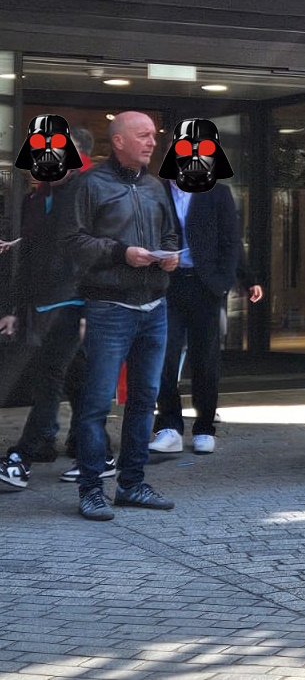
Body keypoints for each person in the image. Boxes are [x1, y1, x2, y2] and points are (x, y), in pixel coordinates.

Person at [59, 111, 180, 521]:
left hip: (154, 306)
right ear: (120, 141)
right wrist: (120, 252)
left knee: (144, 400)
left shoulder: (155, 185)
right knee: (96, 404)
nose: (151, 142)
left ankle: (131, 484)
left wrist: (168, 256)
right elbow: (73, 241)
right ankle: (91, 488)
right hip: (110, 307)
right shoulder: (88, 184)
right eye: (143, 136)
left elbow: (169, 235)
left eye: (153, 135)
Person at [2, 126, 93, 487]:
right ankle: (92, 451)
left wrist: (88, 310)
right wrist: (13, 308)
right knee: (68, 376)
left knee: (52, 374)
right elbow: (32, 255)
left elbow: (85, 251)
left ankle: (26, 452)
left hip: (71, 302)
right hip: (42, 304)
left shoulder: (82, 193)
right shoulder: (35, 200)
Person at [149, 174, 263, 457]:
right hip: (168, 284)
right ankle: (169, 426)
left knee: (206, 358)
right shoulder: (155, 190)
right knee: (165, 355)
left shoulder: (217, 192)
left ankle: (204, 427)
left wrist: (243, 279)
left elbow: (231, 239)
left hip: (206, 285)